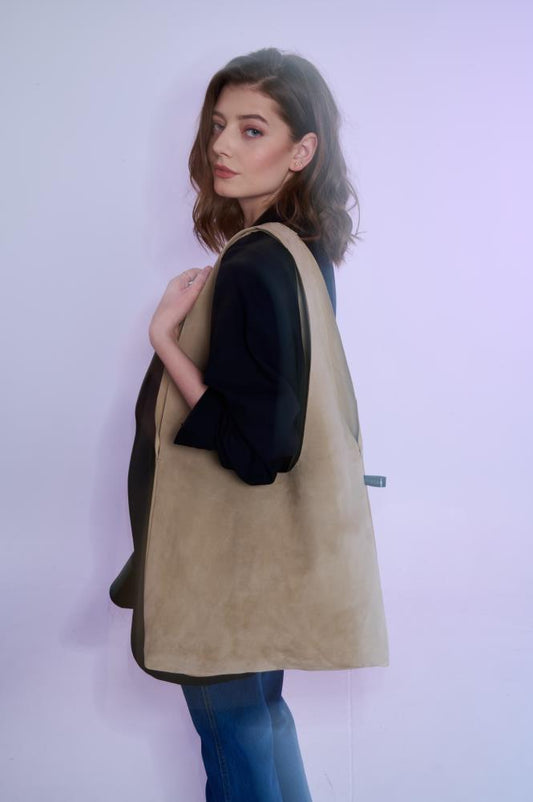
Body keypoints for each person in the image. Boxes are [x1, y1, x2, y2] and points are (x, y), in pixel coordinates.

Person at [110, 47, 388, 802]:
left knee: (236, 739)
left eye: (252, 130)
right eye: (217, 126)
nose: (222, 146)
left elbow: (255, 447)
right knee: (260, 720)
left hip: (224, 564)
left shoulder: (254, 264)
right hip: (264, 560)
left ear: (302, 152)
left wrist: (165, 340)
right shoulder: (305, 256)